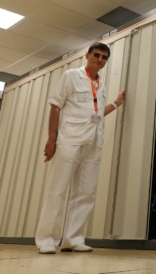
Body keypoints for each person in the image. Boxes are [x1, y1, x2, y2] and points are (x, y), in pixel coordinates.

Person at [36, 42, 125, 254]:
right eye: (97, 55)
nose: (100, 59)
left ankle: (73, 239)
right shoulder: (71, 76)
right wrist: (51, 139)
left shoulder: (101, 85)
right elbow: (55, 106)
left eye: (104, 57)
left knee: (85, 192)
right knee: (57, 190)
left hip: (93, 142)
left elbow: (97, 113)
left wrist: (115, 103)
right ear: (87, 55)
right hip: (70, 140)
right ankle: (46, 240)